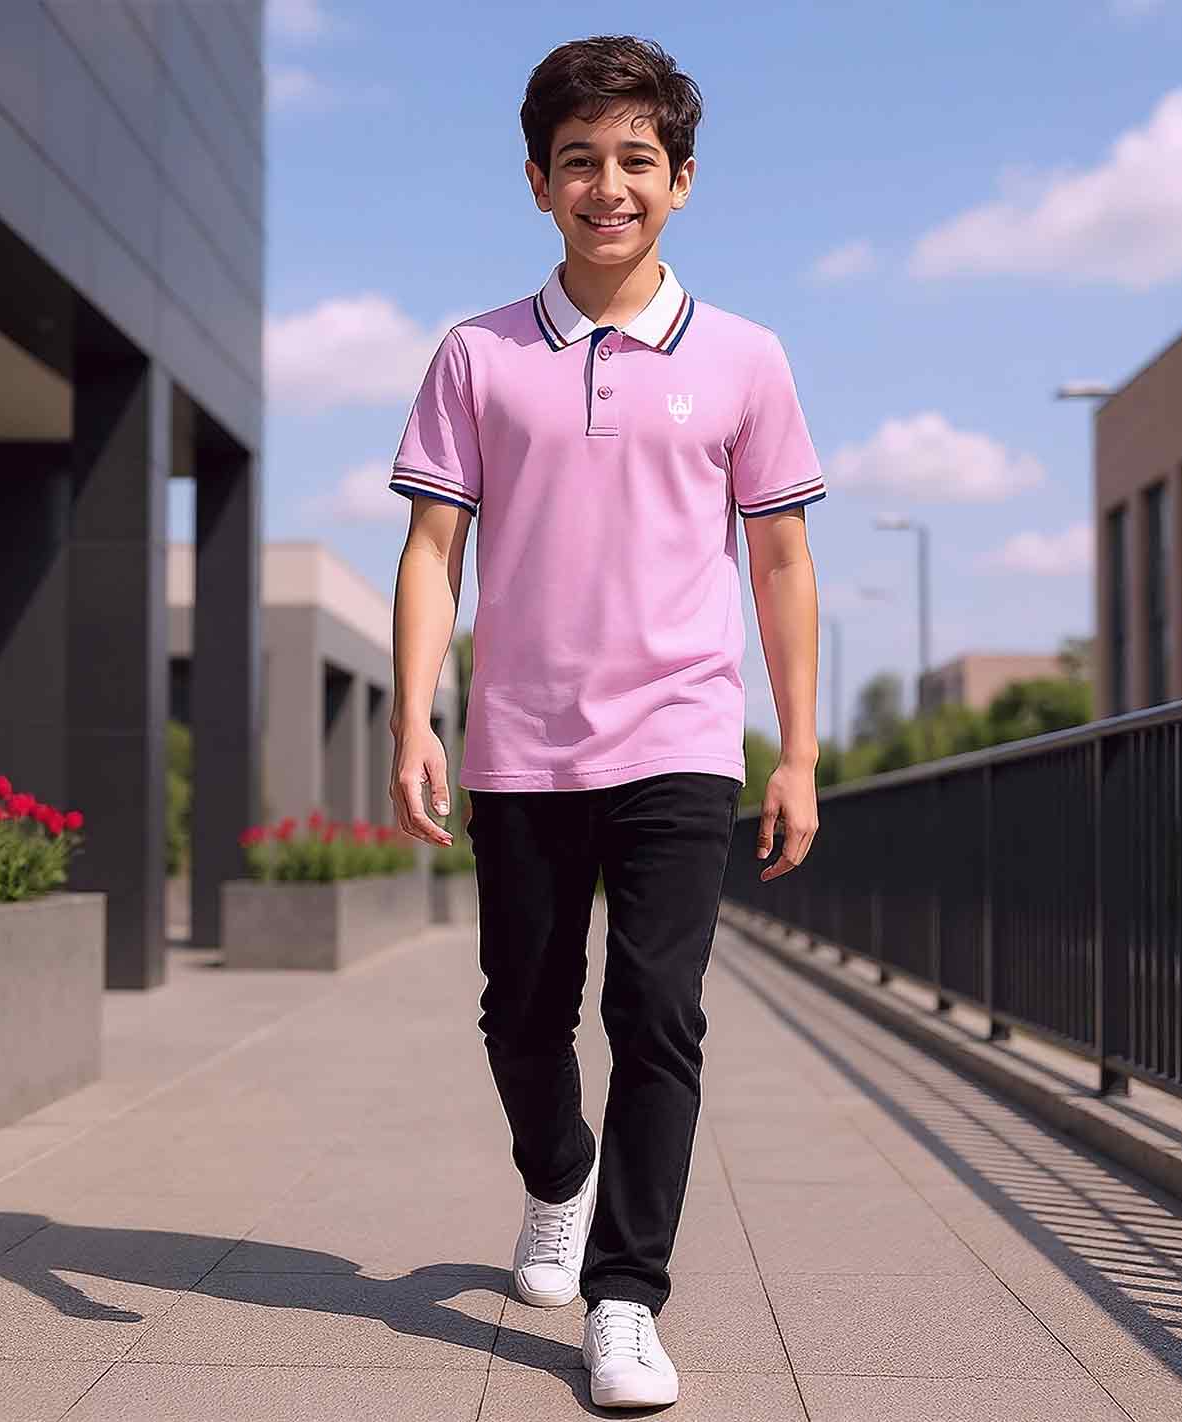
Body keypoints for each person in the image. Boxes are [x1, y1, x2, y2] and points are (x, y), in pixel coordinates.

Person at [386, 34, 825, 1410]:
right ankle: (556, 1176)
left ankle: (626, 1297)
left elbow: (778, 563)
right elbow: (428, 550)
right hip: (518, 745)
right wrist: (414, 716)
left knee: (655, 1008)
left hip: (683, 741)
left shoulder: (745, 359)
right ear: (537, 181)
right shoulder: (474, 355)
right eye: (579, 160)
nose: (607, 185)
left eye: (636, 159)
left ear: (680, 181)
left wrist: (797, 750)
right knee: (521, 1012)